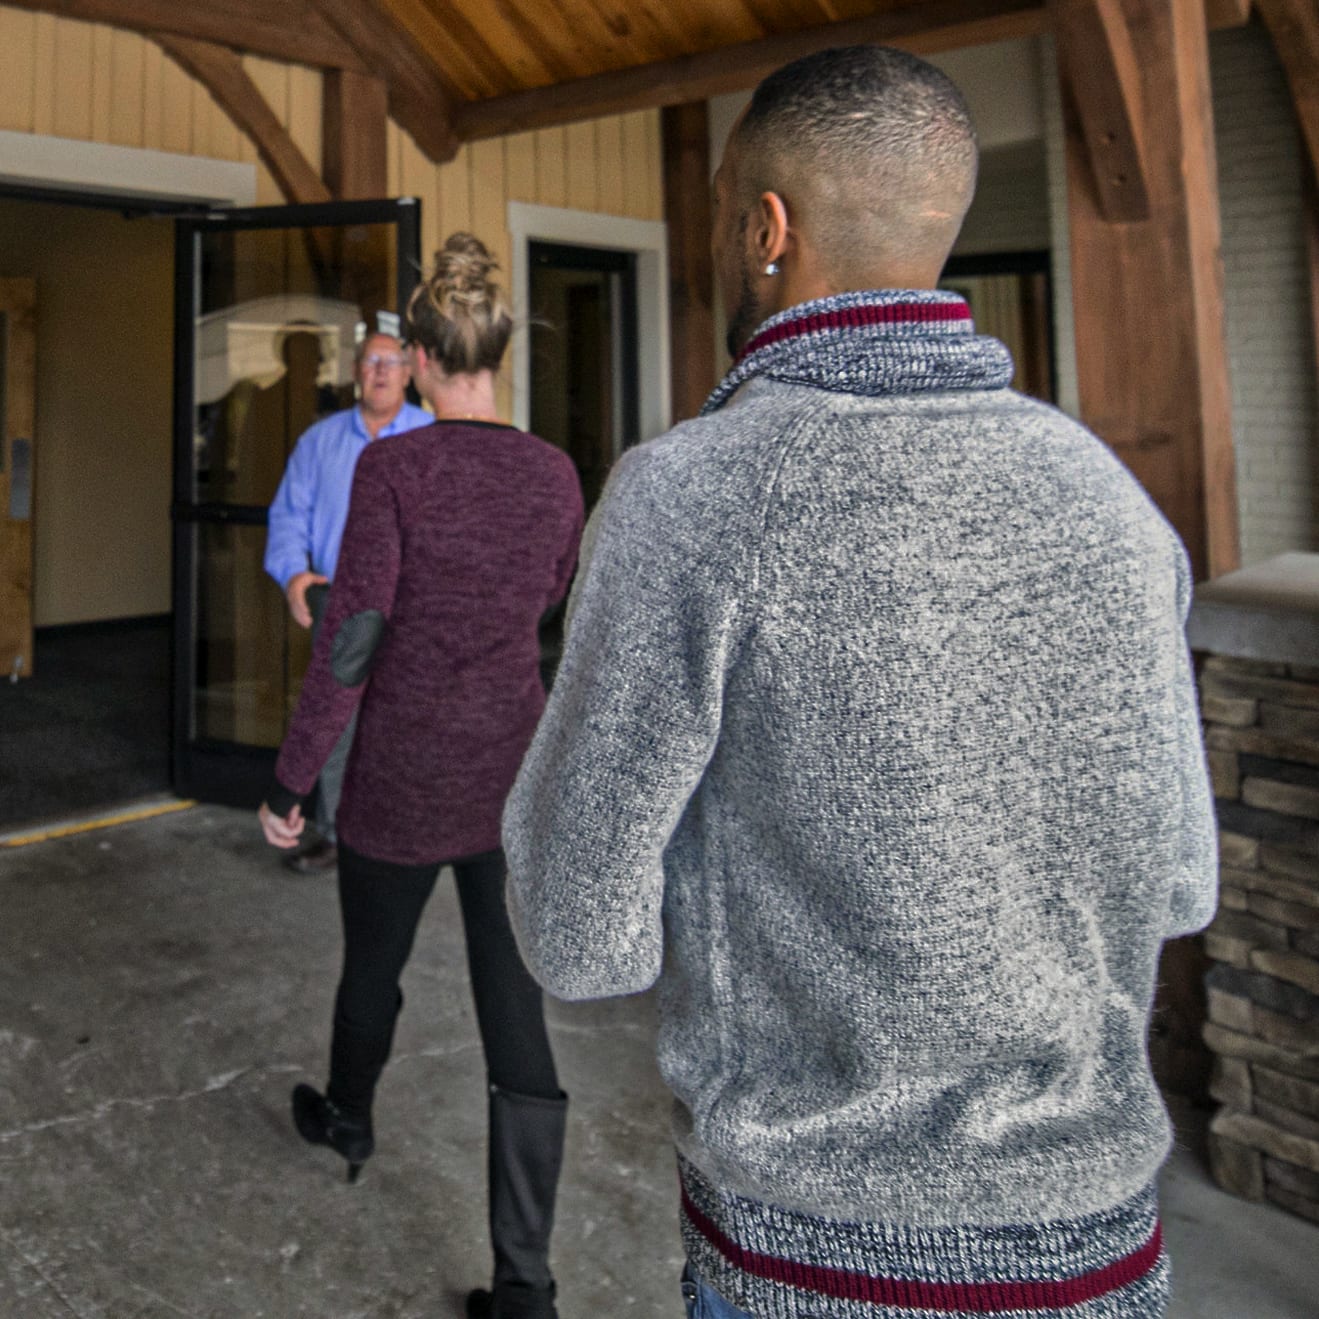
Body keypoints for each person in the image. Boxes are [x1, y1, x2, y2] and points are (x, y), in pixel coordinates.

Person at [502, 45, 1217, 1319]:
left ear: (764, 228)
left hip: (815, 1261)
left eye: (726, 211)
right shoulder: (1106, 498)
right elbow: (1177, 883)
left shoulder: (695, 495)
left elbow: (576, 929)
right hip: (1106, 1256)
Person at [259, 233, 584, 1319]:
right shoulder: (553, 474)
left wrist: (292, 777)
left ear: (426, 358)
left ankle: (349, 1115)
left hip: (400, 775)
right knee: (514, 1008)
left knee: (373, 966)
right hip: (508, 778)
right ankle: (526, 1284)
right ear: (494, 352)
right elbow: (544, 600)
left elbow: (351, 640)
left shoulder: (393, 467)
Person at [264, 329, 432, 873]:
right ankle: (338, 836)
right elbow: (289, 515)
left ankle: (411, 832)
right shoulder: (320, 440)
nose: (381, 371)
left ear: (410, 372)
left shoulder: (432, 437)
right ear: (356, 370)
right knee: (335, 724)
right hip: (339, 601)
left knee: (413, 717)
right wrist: (293, 575)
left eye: (392, 362)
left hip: (416, 605)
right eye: (371, 361)